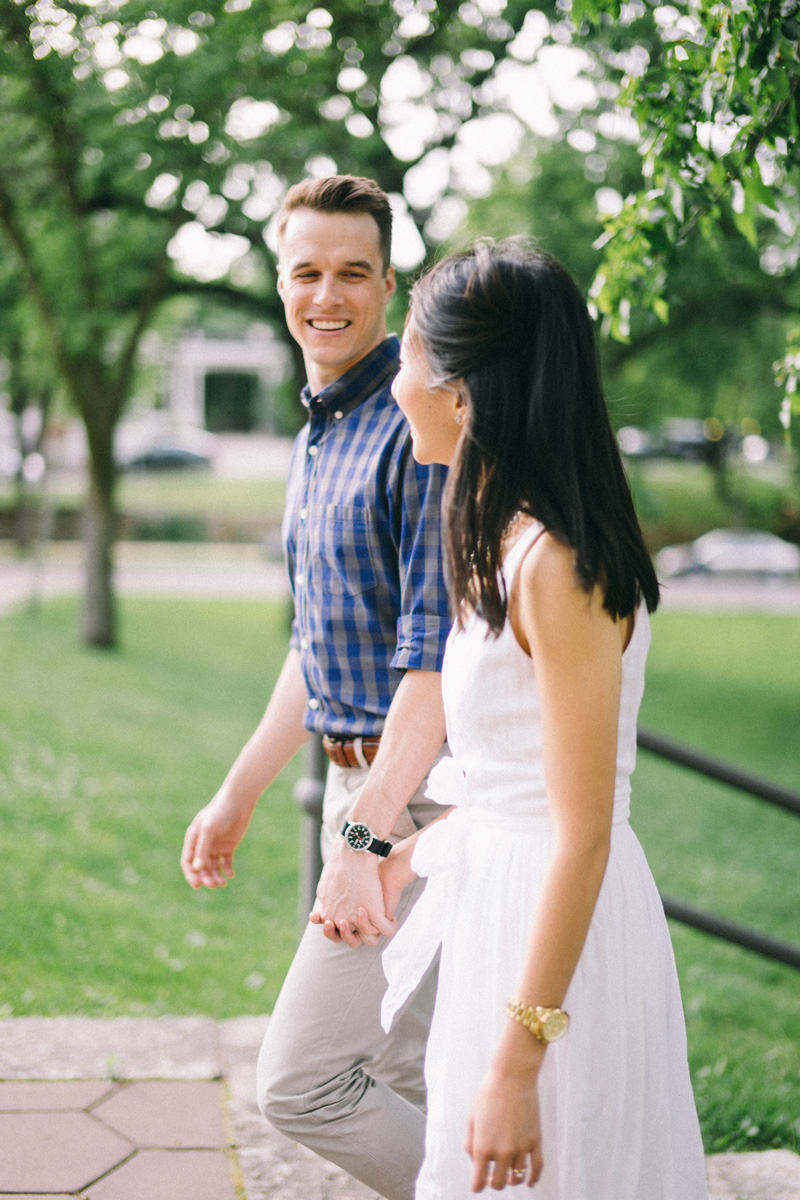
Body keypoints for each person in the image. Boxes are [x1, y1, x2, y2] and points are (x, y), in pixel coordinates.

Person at [359, 240, 709, 1198]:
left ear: (464, 389)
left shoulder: (555, 562)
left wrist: (518, 1062)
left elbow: (582, 831)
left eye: (413, 356)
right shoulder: (503, 536)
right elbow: (519, 777)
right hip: (499, 907)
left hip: (559, 938)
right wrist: (405, 857)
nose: (397, 381)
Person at [180, 175, 451, 1200]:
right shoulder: (318, 428)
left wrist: (366, 837)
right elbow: (318, 641)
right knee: (396, 1072)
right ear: (279, 279)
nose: (324, 295)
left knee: (302, 1084)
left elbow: (428, 663)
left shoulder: (413, 428)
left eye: (350, 273)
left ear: (389, 284)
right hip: (359, 785)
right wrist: (239, 792)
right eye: (305, 271)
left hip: (415, 799)